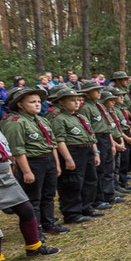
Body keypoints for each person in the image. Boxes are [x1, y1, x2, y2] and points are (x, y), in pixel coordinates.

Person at [0, 94, 60, 257]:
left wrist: (9, 173)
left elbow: (6, 154)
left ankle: (34, 246)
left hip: (4, 176)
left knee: (26, 210)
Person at [0, 87, 64, 234]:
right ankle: (36, 231)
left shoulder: (41, 120)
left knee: (48, 194)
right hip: (31, 162)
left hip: (47, 160)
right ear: (21, 105)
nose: (37, 104)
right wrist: (27, 171)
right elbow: (17, 149)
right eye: (32, 102)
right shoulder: (16, 122)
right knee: (33, 198)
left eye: (39, 101)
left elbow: (51, 143)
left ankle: (49, 223)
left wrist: (56, 164)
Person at [49, 87, 101, 224]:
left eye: (78, 100)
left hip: (87, 149)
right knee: (73, 182)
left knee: (90, 179)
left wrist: (96, 152)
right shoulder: (59, 118)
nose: (77, 103)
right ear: (61, 103)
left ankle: (86, 206)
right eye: (72, 100)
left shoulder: (80, 117)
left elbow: (91, 136)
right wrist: (67, 158)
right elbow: (59, 140)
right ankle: (72, 212)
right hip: (73, 151)